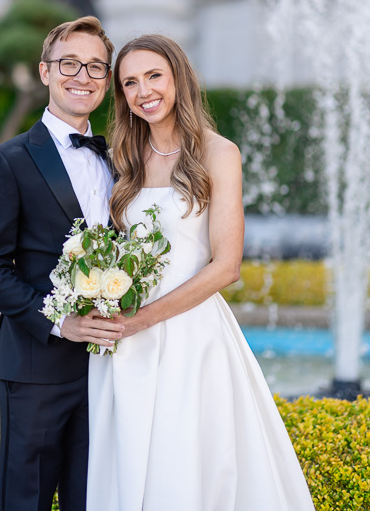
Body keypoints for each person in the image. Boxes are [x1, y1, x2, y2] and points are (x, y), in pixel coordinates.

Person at [87, 34, 316, 511]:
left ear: (178, 79)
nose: (142, 91)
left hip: (190, 339)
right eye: (129, 82)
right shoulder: (123, 158)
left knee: (187, 466)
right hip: (124, 342)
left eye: (154, 76)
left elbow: (227, 265)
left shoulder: (218, 153)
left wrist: (144, 319)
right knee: (128, 468)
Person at [0, 16, 123, 511]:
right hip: (37, 366)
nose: (83, 76)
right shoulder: (8, 160)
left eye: (96, 67)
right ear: (44, 71)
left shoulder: (122, 160)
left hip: (113, 368)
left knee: (95, 498)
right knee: (27, 500)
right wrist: (63, 323)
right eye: (70, 63)